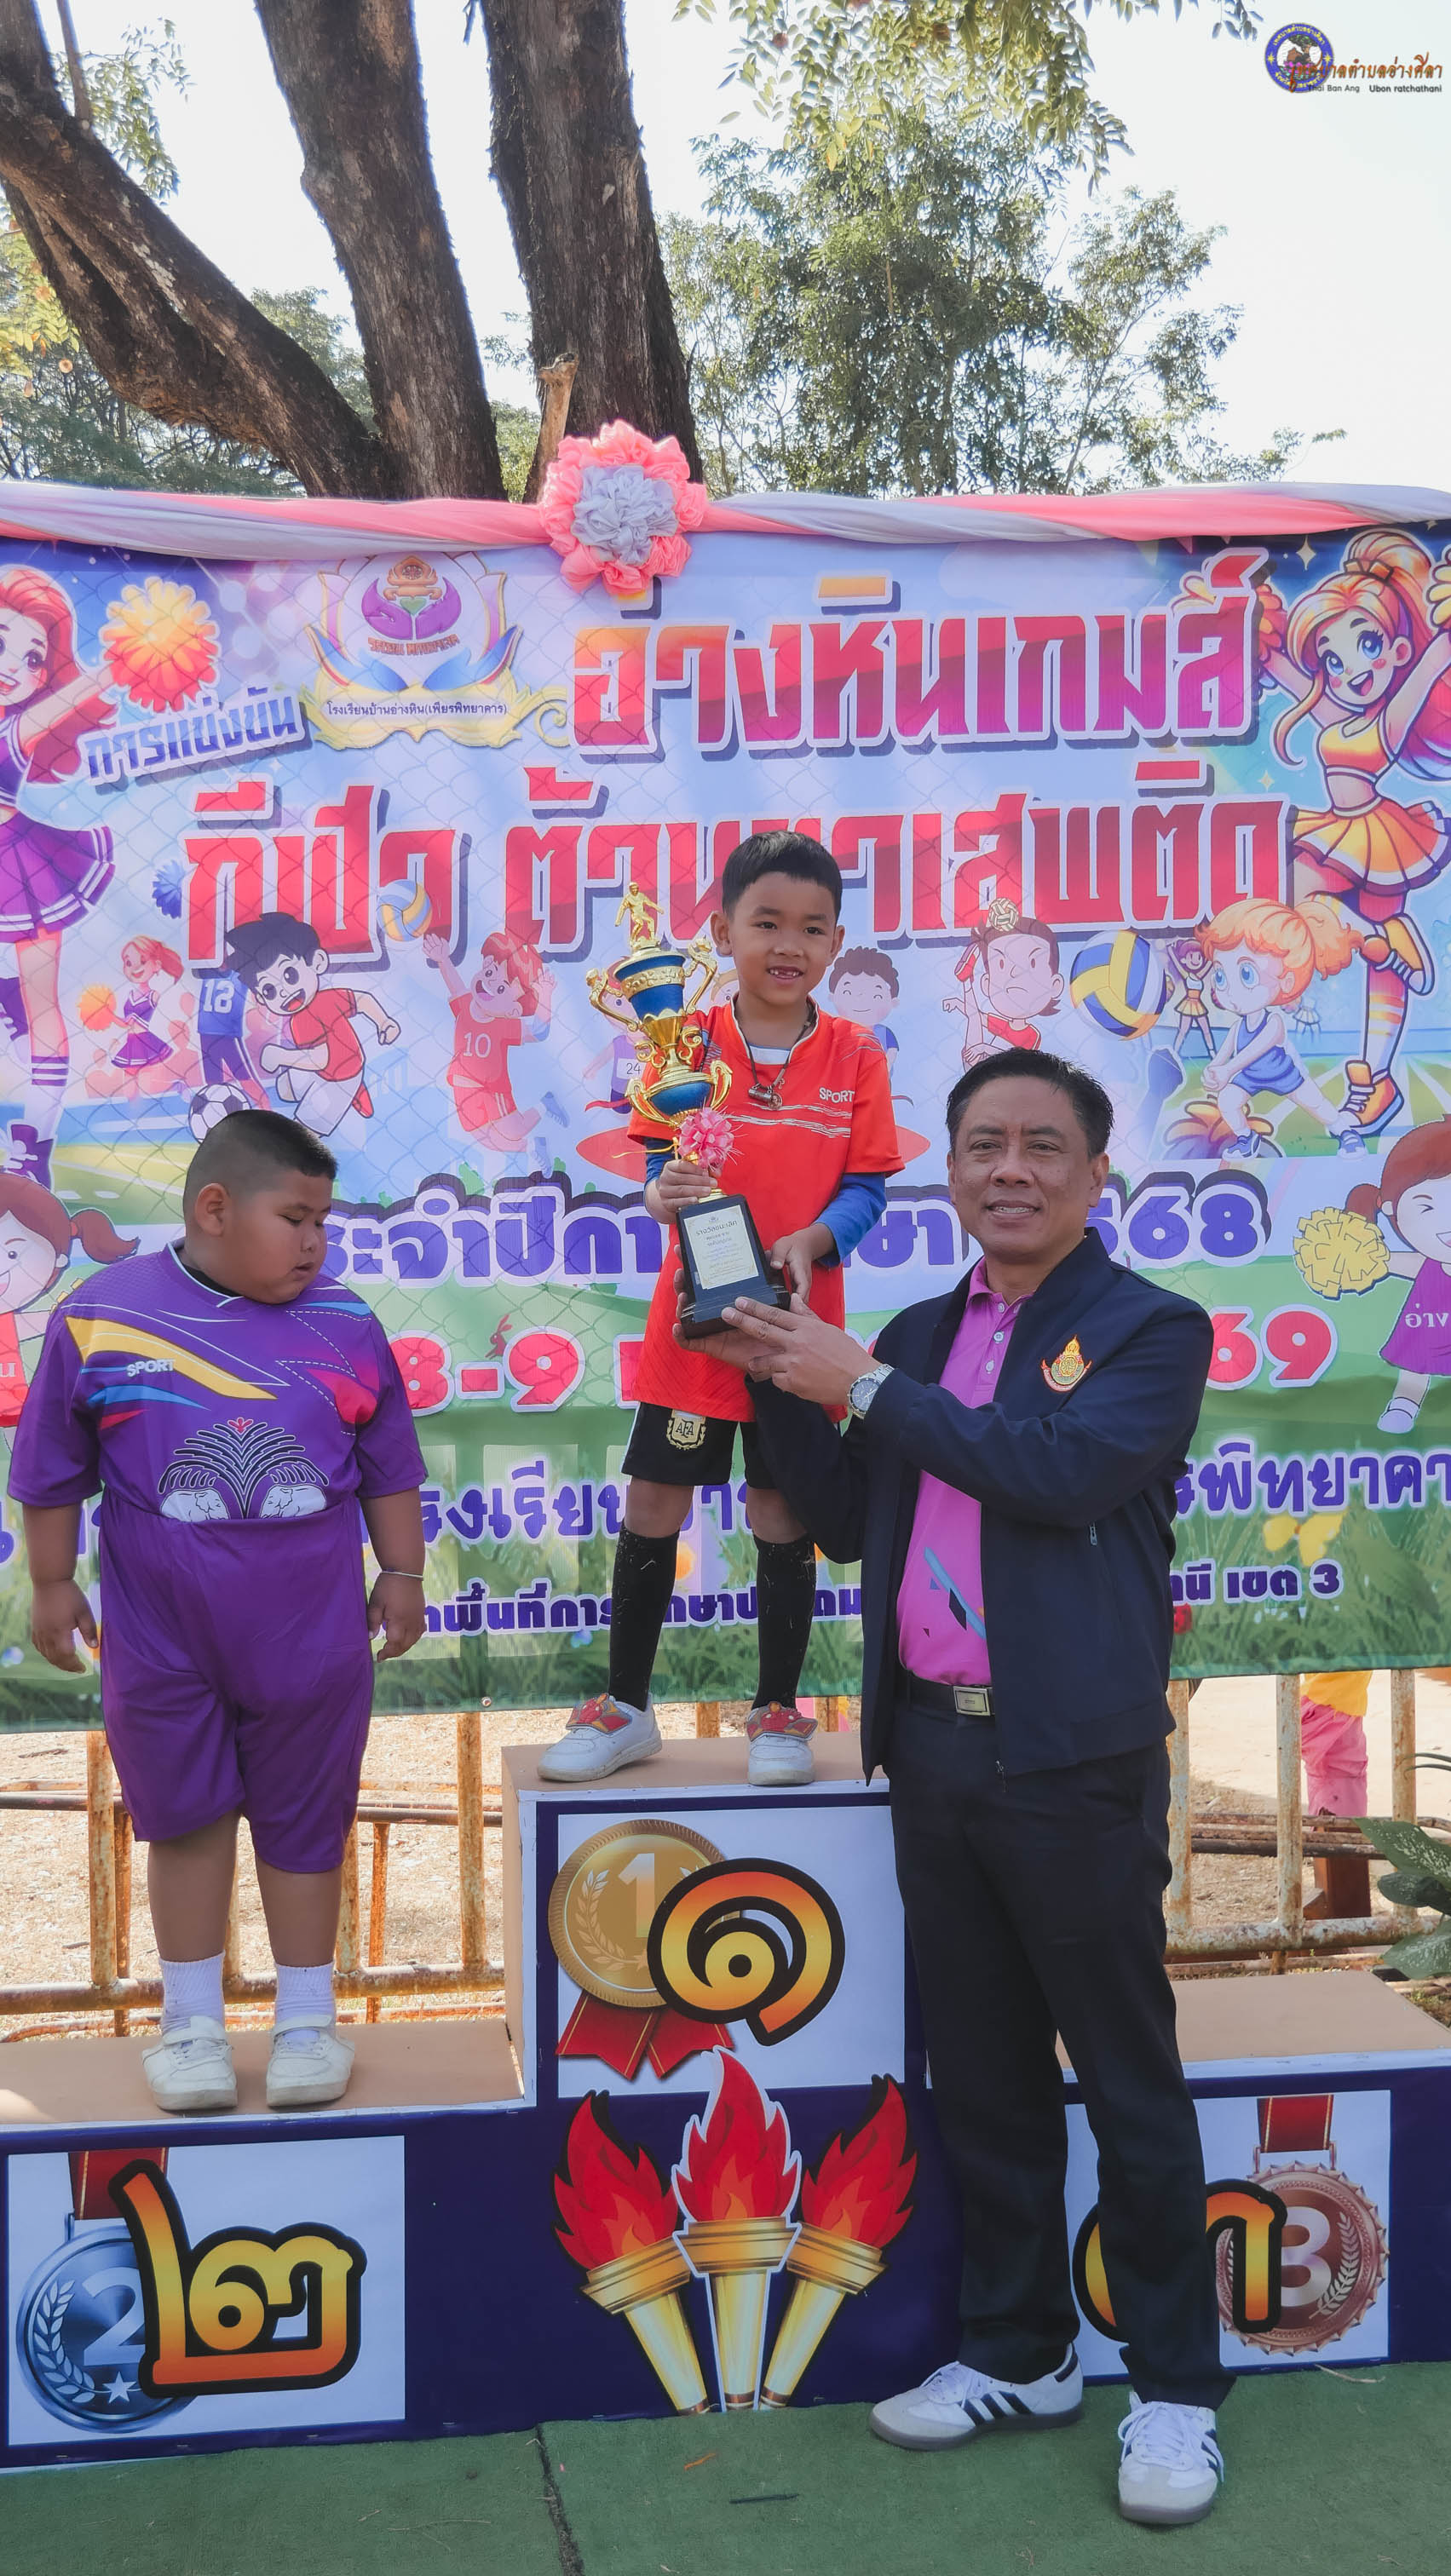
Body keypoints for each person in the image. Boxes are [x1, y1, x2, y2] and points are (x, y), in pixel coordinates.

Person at [694, 1048, 1229, 2527]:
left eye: (1042, 1145)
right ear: (946, 1169)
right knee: (982, 2075)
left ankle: (1174, 2387)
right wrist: (772, 1369)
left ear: (1094, 1175)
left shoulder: (1150, 1326)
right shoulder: (920, 1329)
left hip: (1070, 1758)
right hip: (930, 1748)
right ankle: (1018, 2349)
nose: (1010, 1168)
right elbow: (848, 1519)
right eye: (983, 1142)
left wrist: (856, 1380)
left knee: (1123, 2075)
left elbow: (1053, 1472)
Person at [9, 1110, 428, 2116]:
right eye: (295, 1218)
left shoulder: (345, 1323)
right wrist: (54, 1583)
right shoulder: (100, 1316)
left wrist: (403, 1571)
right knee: (184, 1817)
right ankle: (190, 2027)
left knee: (304, 1820)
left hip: (311, 1638)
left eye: (323, 1222)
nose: (315, 1242)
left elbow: (389, 1464)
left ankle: (306, 2024)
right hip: (162, 1638)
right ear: (213, 1209)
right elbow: (53, 1467)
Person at [538, 829, 901, 1791]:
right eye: (766, 922)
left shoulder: (856, 1053)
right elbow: (663, 1167)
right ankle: (624, 1706)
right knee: (654, 1500)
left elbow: (868, 1186)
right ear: (720, 933)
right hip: (695, 1331)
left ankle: (776, 1710)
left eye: (812, 928)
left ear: (836, 944)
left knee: (781, 1508)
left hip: (794, 1332)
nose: (788, 945)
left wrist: (812, 1241)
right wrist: (661, 1192)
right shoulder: (681, 1040)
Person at [1257, 531, 1451, 1133]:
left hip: (1378, 838)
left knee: (1376, 970)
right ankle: (1383, 938)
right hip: (1341, 831)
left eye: (1367, 645)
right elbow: (1296, 682)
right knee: (1294, 900)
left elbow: (1429, 666)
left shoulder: (1388, 721)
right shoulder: (1336, 715)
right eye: (1334, 661)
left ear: (1397, 649)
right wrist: (1263, 643)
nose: (1351, 670)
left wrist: (1444, 634)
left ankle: (1375, 1077)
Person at [0, 563, 117, 1185]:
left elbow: (77, 695)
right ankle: (7, 1002)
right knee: (27, 1004)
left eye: (32, 658)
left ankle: (35, 1143)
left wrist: (123, 664)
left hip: (19, 861)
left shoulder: (13, 730)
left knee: (42, 1005)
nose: (13, 668)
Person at [225, 912, 400, 1136]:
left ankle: (348, 1095)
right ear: (260, 997)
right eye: (269, 990)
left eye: (290, 975)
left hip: (340, 1078)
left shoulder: (326, 1002)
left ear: (317, 962)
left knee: (301, 1136)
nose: (284, 992)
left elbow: (321, 1057)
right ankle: (330, 1094)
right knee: (285, 1090)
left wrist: (384, 1022)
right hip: (322, 1070)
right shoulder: (299, 1018)